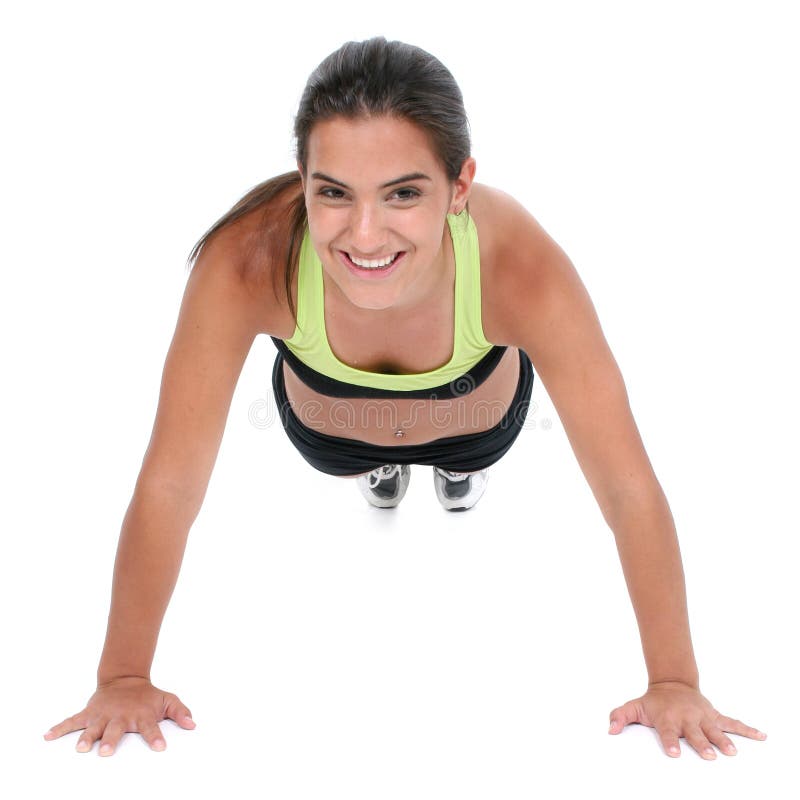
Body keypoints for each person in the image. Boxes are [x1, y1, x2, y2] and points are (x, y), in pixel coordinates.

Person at [43, 36, 766, 759]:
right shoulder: (247, 258)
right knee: (362, 462)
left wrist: (674, 678)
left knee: (462, 460)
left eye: (404, 193)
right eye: (333, 192)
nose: (364, 233)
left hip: (475, 425)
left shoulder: (520, 265)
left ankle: (456, 472)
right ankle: (375, 471)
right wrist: (123, 674)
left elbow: (625, 486)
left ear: (459, 186)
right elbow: (172, 483)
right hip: (331, 436)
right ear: (302, 179)